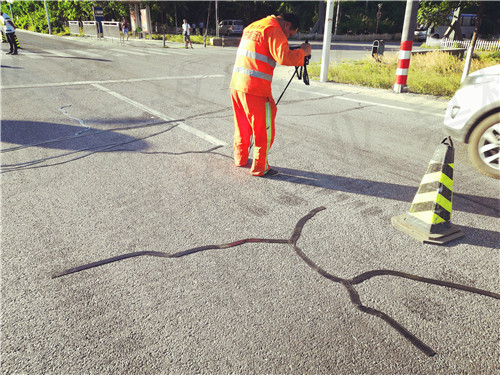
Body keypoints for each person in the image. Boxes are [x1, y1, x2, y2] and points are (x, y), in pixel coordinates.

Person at [230, 13, 311, 177]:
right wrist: (304, 52)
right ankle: (260, 167)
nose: (287, 37)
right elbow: (284, 57)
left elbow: (266, 51)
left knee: (243, 126)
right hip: (256, 90)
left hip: (237, 85)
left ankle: (240, 158)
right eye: (289, 34)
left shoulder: (254, 26)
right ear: (287, 25)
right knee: (264, 131)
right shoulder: (274, 30)